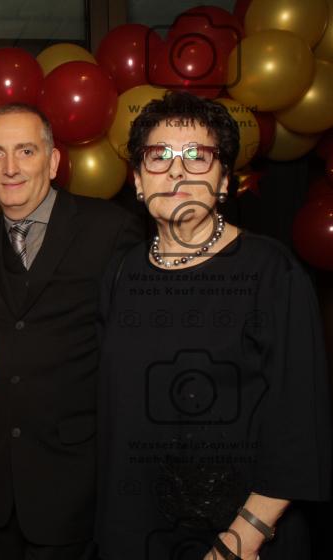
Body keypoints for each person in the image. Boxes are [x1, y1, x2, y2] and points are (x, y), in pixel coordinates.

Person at [95, 91, 331, 560]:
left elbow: (300, 424)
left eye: (197, 155)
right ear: (138, 180)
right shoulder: (121, 272)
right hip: (136, 531)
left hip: (237, 539)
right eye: (158, 156)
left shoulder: (271, 271)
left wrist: (239, 541)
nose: (176, 171)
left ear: (223, 180)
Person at [0, 103, 143, 560]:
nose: (10, 167)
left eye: (25, 151)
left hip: (78, 484)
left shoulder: (110, 229)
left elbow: (138, 356)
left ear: (54, 160)